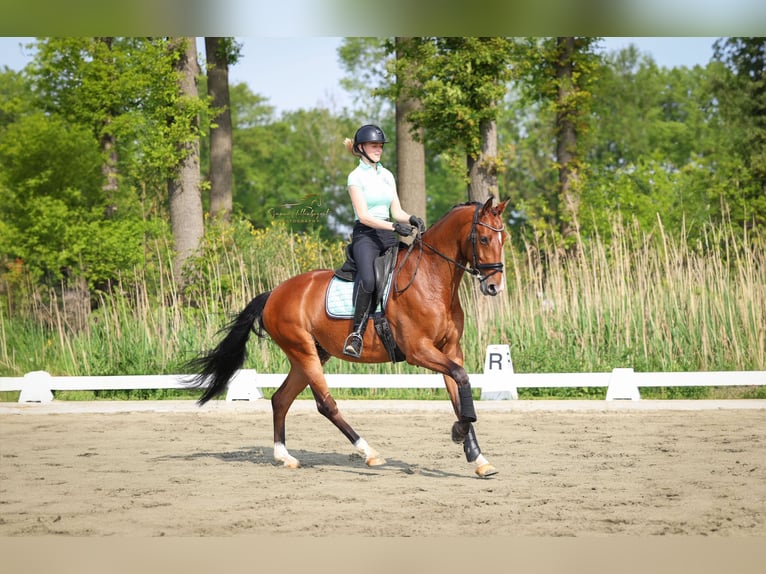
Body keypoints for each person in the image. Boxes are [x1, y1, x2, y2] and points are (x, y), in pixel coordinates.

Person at [342, 124, 425, 358]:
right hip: (366, 236)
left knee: (410, 271)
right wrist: (394, 226)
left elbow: (396, 210)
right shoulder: (355, 177)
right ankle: (356, 334)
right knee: (368, 279)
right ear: (361, 148)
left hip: (388, 234)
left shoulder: (387, 175)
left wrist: (411, 218)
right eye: (374, 146)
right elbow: (365, 216)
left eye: (380, 146)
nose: (378, 150)